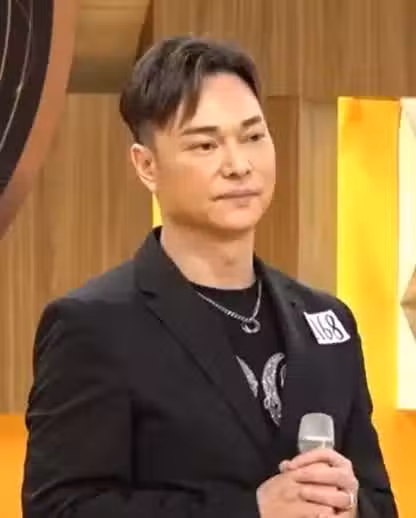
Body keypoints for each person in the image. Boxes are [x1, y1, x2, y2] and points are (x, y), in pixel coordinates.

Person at [22, 36, 398, 518]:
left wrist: (352, 505)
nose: (239, 165)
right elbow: (59, 509)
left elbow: (380, 501)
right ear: (147, 165)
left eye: (254, 136)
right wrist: (250, 510)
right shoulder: (92, 326)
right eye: (205, 144)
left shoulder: (329, 321)